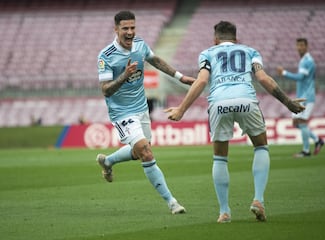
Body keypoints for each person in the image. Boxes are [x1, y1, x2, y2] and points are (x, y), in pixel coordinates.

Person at [165, 21, 305, 223]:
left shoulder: (207, 53)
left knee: (220, 158)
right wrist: (288, 102)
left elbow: (202, 81)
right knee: (261, 147)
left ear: (215, 39)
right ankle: (258, 200)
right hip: (246, 100)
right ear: (236, 38)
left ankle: (224, 212)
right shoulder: (250, 51)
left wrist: (181, 109)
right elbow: (263, 78)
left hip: (219, 102)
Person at [96, 10, 194, 214]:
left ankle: (108, 161)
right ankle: (172, 202)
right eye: (125, 28)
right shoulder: (106, 56)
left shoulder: (140, 44)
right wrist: (124, 76)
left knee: (140, 151)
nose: (130, 32)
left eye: (132, 27)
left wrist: (179, 76)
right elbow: (105, 90)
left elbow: (155, 59)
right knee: (146, 153)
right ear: (116, 29)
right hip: (122, 113)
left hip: (141, 108)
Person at [277, 38, 324, 158]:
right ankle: (317, 140)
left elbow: (300, 77)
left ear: (307, 46)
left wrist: (284, 73)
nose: (299, 47)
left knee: (302, 122)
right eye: (298, 45)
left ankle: (306, 151)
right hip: (302, 96)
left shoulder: (307, 61)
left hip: (307, 97)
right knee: (296, 123)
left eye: (302, 45)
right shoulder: (304, 60)